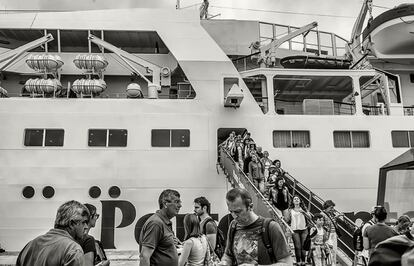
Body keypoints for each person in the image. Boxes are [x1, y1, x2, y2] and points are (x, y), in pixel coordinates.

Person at [219, 188, 292, 265]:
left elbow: (287, 263)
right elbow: (228, 255)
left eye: (238, 211)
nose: (234, 216)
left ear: (250, 207)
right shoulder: (233, 226)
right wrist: (224, 262)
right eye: (231, 211)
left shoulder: (271, 227)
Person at [16, 200, 89, 266]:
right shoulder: (73, 250)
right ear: (71, 224)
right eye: (84, 222)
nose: (86, 226)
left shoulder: (29, 246)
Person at [139, 189, 182, 266]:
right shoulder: (156, 223)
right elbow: (144, 257)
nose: (180, 205)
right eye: (176, 202)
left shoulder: (165, 222)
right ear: (165, 204)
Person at [286, 196, 310, 265]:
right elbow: (287, 220)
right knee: (297, 246)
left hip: (304, 230)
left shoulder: (303, 209)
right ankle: (298, 261)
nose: (296, 200)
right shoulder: (290, 210)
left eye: (297, 199)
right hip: (294, 230)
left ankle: (303, 261)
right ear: (293, 201)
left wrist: (303, 212)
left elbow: (310, 217)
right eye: (294, 199)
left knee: (303, 246)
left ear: (300, 201)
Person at [320, 200, 343, 266]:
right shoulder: (322, 214)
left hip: (333, 233)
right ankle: (329, 264)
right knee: (329, 251)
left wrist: (337, 216)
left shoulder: (330, 214)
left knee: (334, 250)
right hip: (327, 235)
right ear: (326, 207)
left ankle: (333, 264)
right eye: (331, 208)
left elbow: (331, 220)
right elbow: (321, 225)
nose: (332, 209)